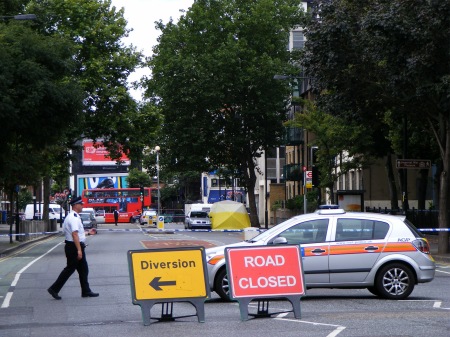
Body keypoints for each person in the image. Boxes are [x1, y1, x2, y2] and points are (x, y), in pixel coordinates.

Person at [47, 196, 99, 300]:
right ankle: (54, 289)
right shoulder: (73, 218)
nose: (82, 206)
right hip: (74, 247)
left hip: (75, 246)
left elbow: (77, 234)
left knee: (83, 269)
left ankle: (86, 291)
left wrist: (88, 233)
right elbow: (74, 234)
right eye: (81, 204)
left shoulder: (73, 216)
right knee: (69, 269)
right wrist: (79, 250)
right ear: (75, 205)